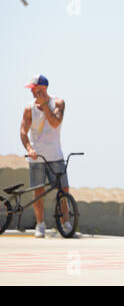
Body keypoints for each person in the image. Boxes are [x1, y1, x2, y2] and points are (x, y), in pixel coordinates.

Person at [20, 74, 71, 238]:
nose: (32, 92)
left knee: (64, 190)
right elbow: (23, 131)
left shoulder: (58, 102)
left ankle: (66, 224)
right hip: (37, 158)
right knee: (38, 192)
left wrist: (45, 106)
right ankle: (40, 225)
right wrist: (29, 148)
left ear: (42, 88)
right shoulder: (29, 108)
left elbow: (55, 122)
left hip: (55, 156)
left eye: (33, 89)